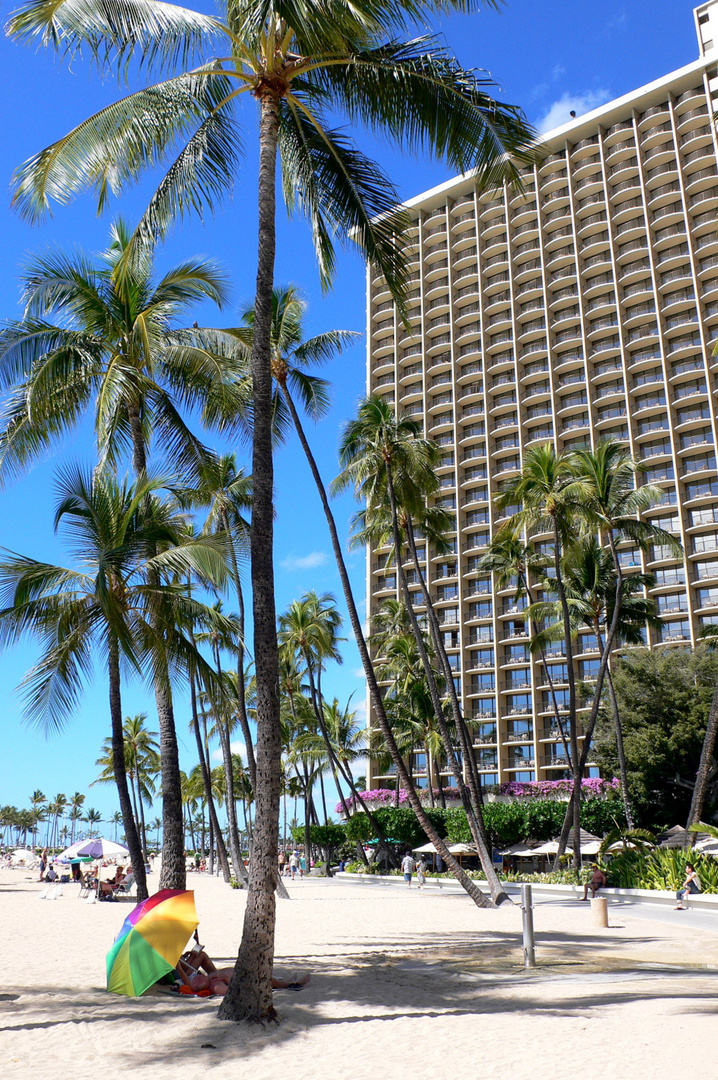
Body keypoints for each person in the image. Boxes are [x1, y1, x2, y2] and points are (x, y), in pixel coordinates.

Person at [175, 947, 311, 996]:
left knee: (200, 954)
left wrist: (189, 957)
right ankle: (291, 984)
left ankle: (287, 982)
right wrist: (227, 979)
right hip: (240, 980)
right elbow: (231, 992)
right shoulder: (215, 986)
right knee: (263, 979)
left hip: (230, 975)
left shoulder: (211, 980)